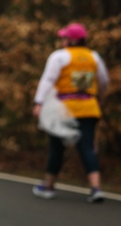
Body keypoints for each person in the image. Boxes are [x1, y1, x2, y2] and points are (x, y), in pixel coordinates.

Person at [32, 22, 110, 203]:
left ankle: (49, 185)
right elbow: (104, 81)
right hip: (89, 107)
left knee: (57, 148)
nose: (62, 40)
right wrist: (98, 97)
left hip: (64, 110)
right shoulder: (94, 57)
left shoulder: (59, 57)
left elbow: (47, 80)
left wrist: (39, 102)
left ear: (70, 40)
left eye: (63, 37)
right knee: (87, 148)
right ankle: (96, 187)